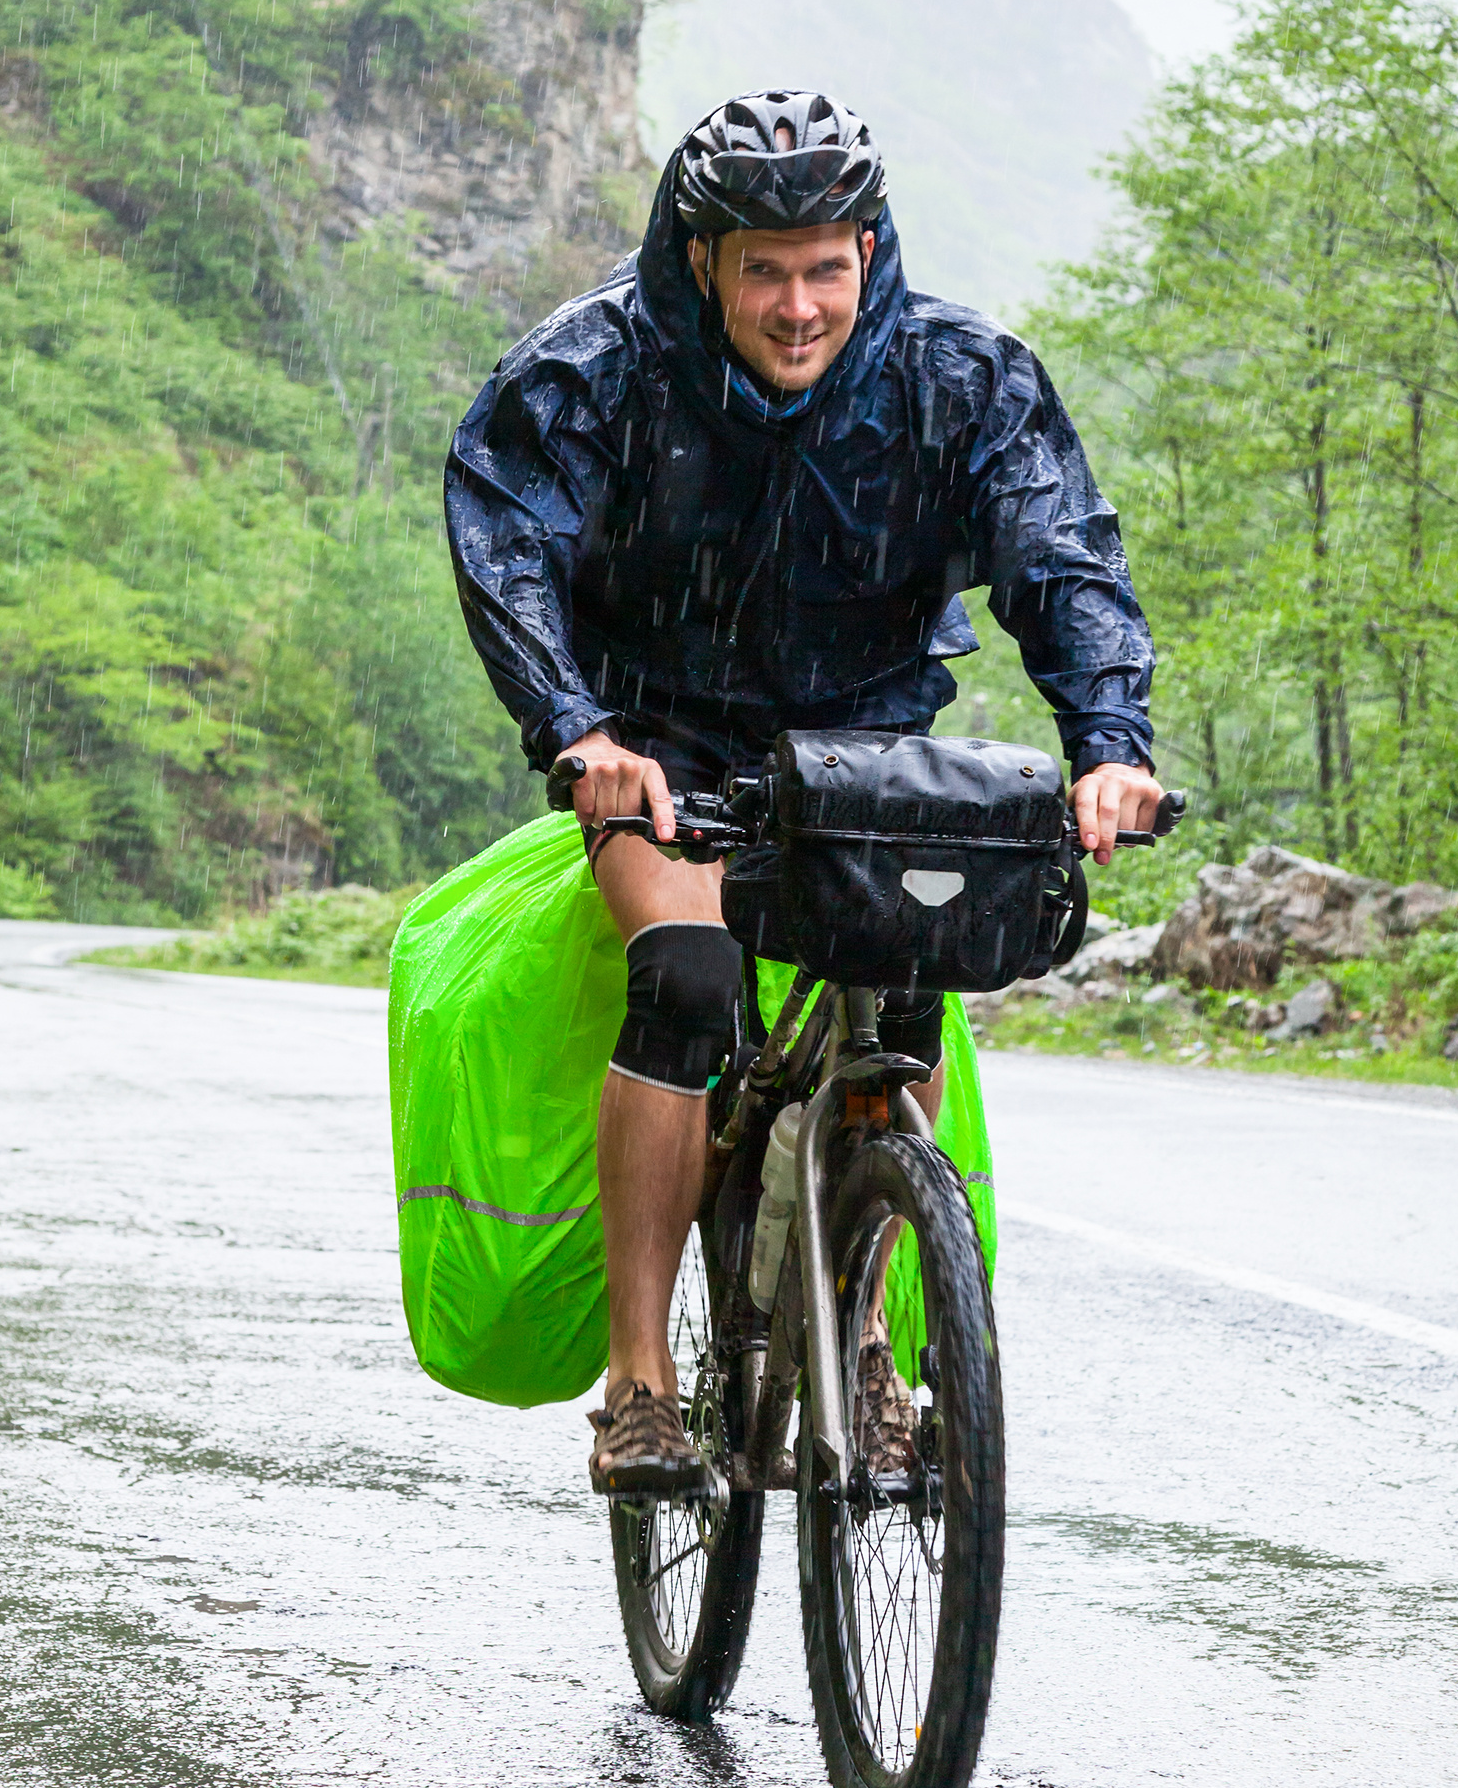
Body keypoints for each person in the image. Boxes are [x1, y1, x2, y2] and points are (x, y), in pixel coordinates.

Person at [444, 89, 1159, 1497]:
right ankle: (641, 1383)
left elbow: (1058, 551)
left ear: (870, 252)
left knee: (892, 1015)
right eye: (762, 270)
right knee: (691, 977)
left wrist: (1108, 740)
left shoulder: (958, 378)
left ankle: (869, 1341)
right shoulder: (595, 371)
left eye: (825, 266)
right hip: (658, 738)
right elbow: (507, 542)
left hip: (865, 746)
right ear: (700, 259)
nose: (795, 306)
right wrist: (575, 728)